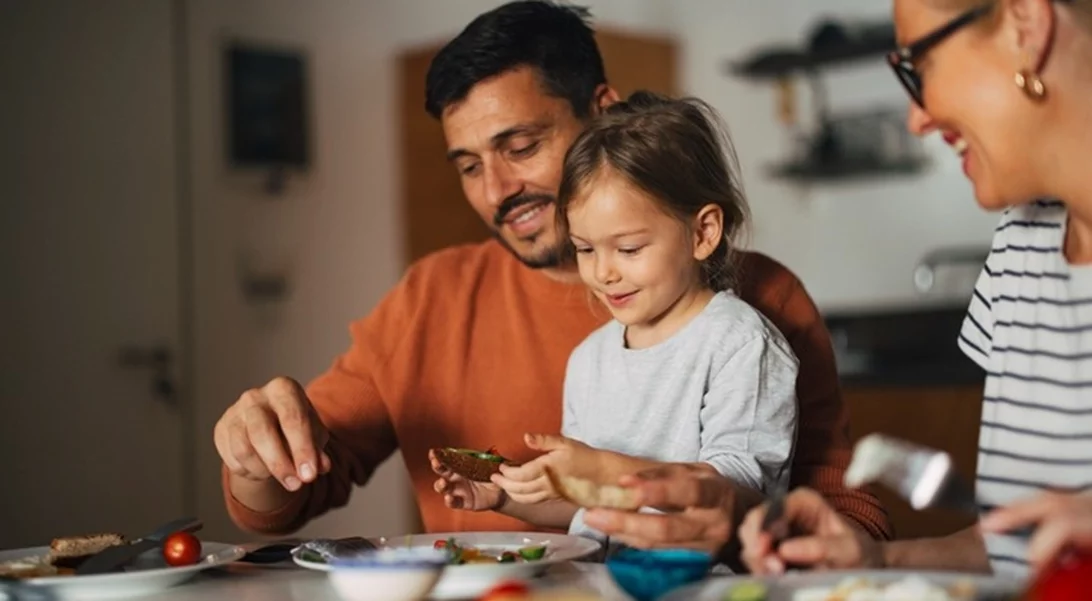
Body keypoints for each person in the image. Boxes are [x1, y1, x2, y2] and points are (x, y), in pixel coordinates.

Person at [212, 0, 890, 547]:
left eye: (521, 146)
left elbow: (842, 516)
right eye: (470, 165)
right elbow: (289, 493)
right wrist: (258, 453)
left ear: (602, 110)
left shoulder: (759, 301)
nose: (498, 189)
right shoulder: (431, 300)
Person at [732, 0, 1092, 580]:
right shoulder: (1023, 243)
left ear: (1027, 25)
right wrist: (879, 559)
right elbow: (1020, 547)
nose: (916, 118)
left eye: (918, 66)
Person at [429, 92, 800, 543]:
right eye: (585, 249)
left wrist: (603, 467)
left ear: (703, 232)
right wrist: (506, 497)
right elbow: (585, 499)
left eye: (628, 249)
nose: (603, 273)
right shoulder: (590, 357)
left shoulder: (739, 343)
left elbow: (738, 487)